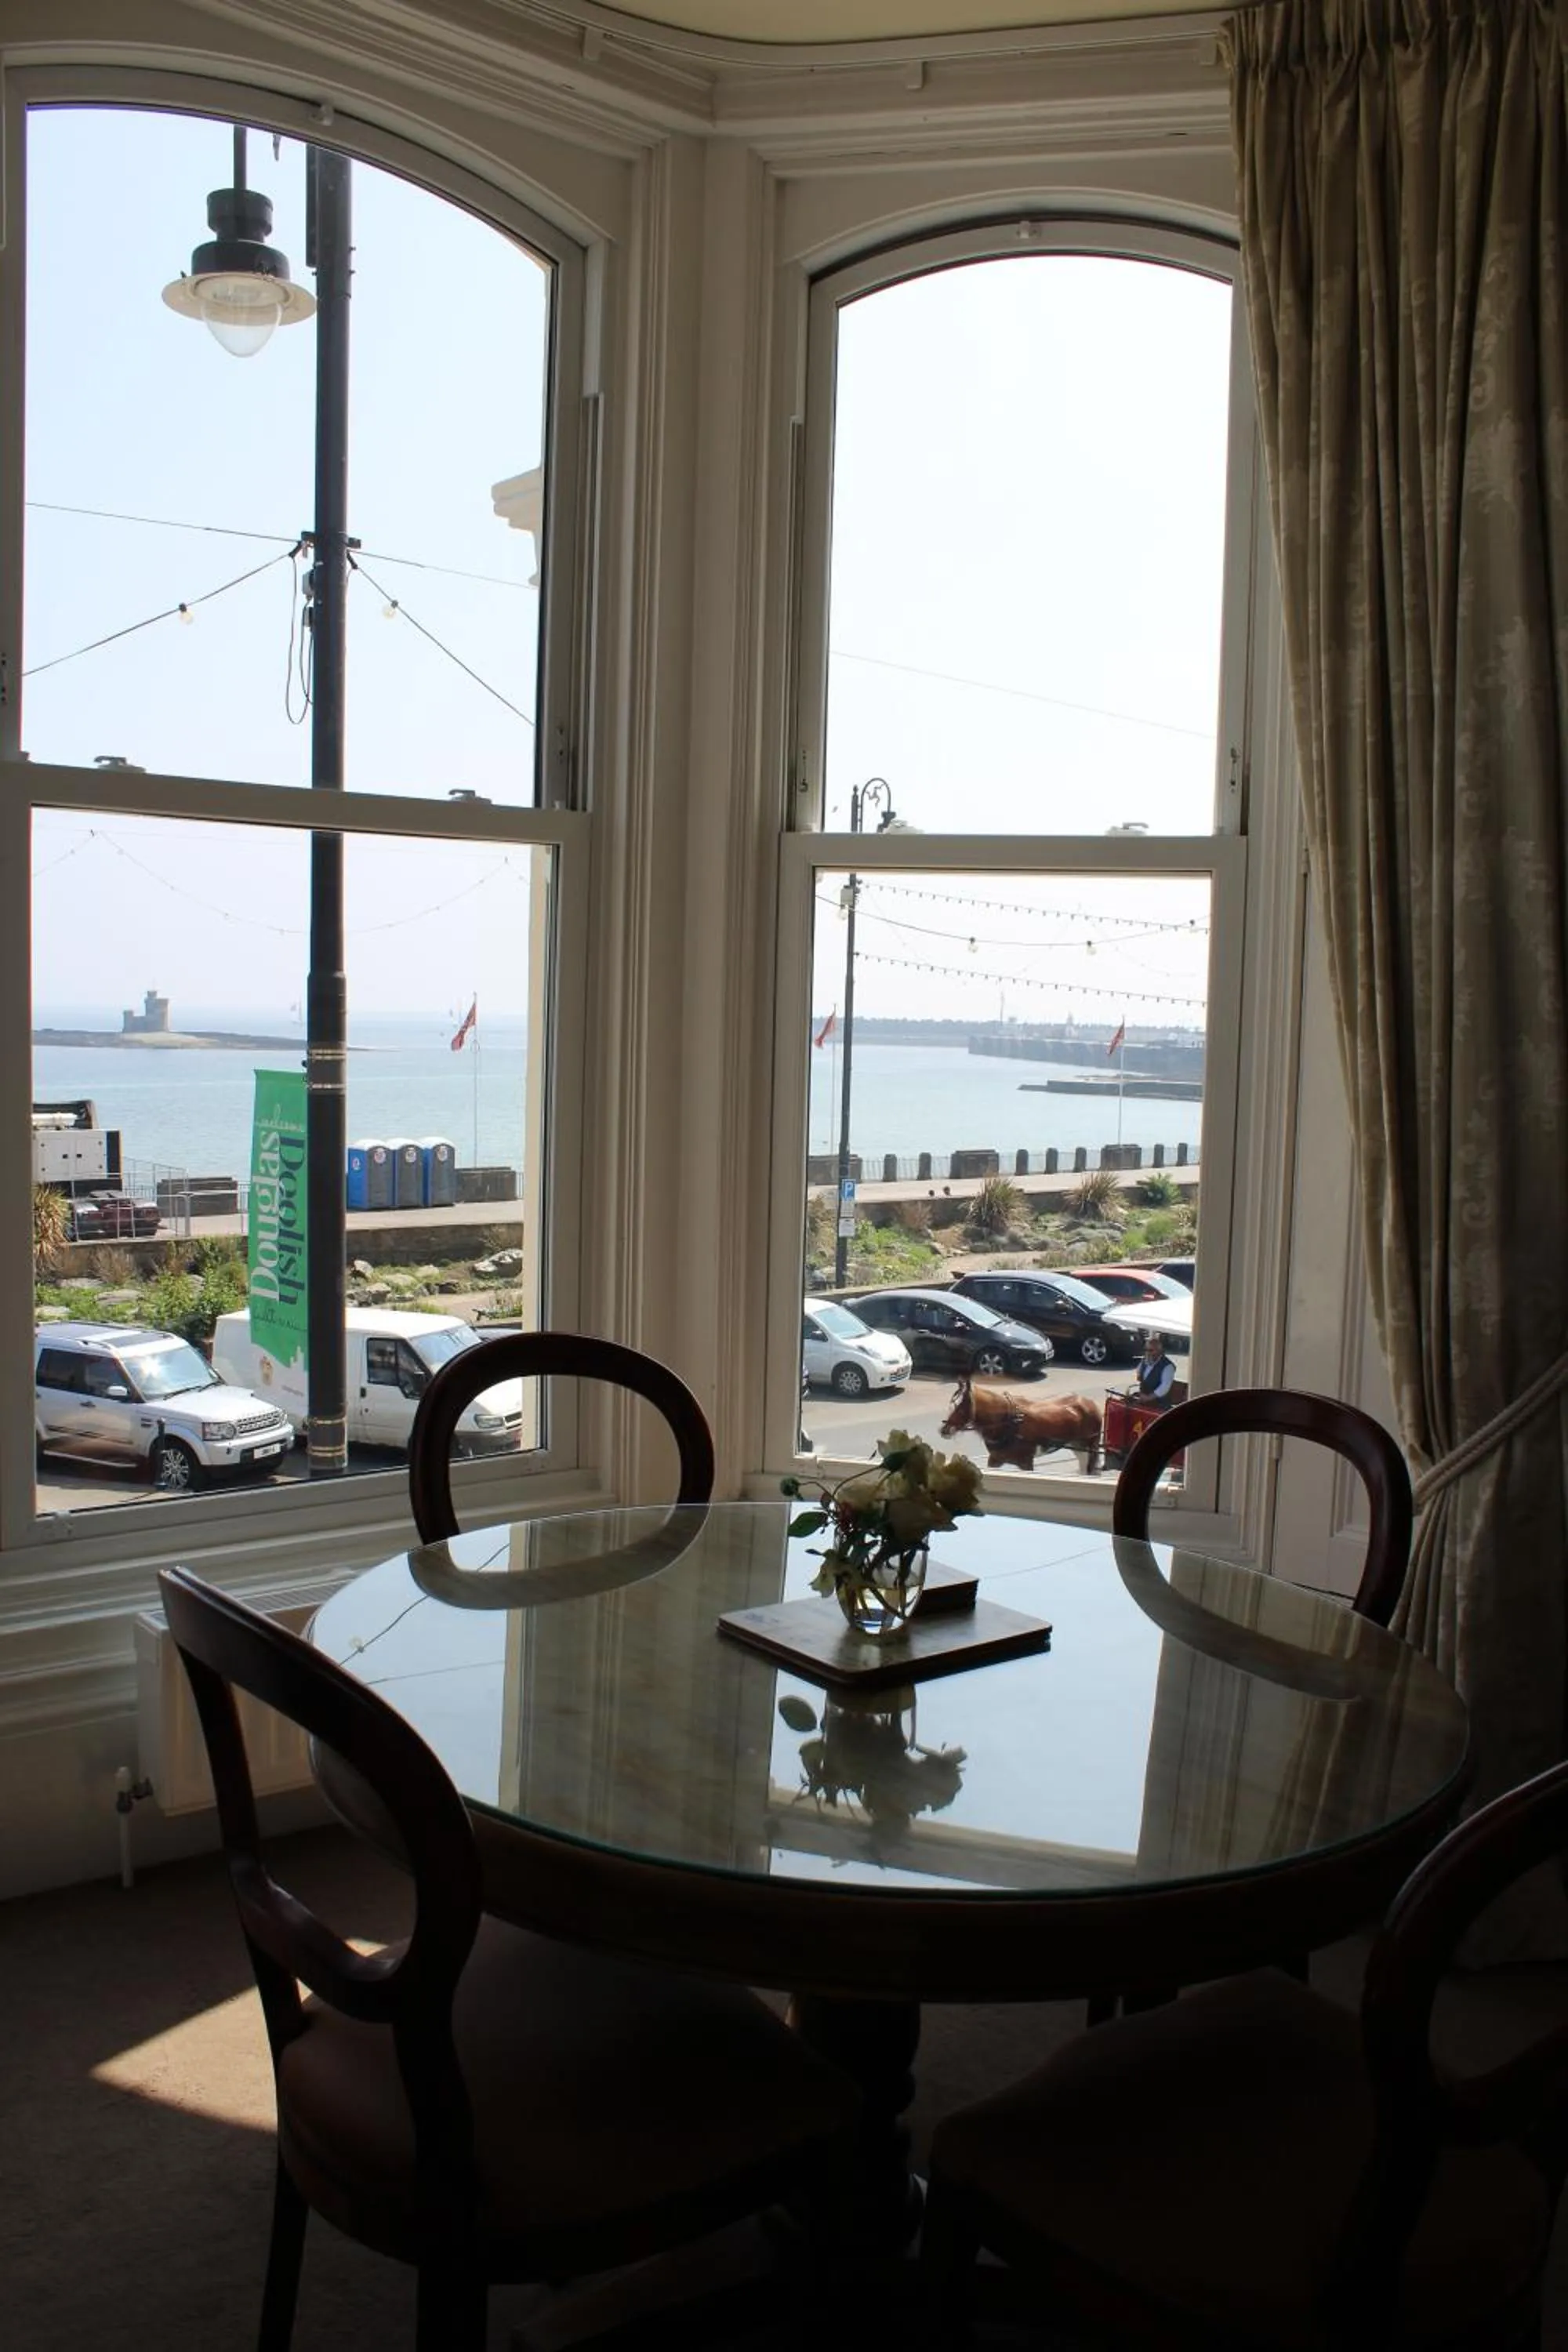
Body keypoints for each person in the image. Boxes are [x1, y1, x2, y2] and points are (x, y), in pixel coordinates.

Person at [1130, 1329, 1176, 1413]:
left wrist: (1148, 1398)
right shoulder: (1145, 1361)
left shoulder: (1168, 1366)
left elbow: (1164, 1388)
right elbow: (1139, 1374)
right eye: (1146, 1350)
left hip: (1159, 1404)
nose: (1148, 1353)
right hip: (1144, 1399)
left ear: (1160, 1351)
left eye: (1151, 1350)